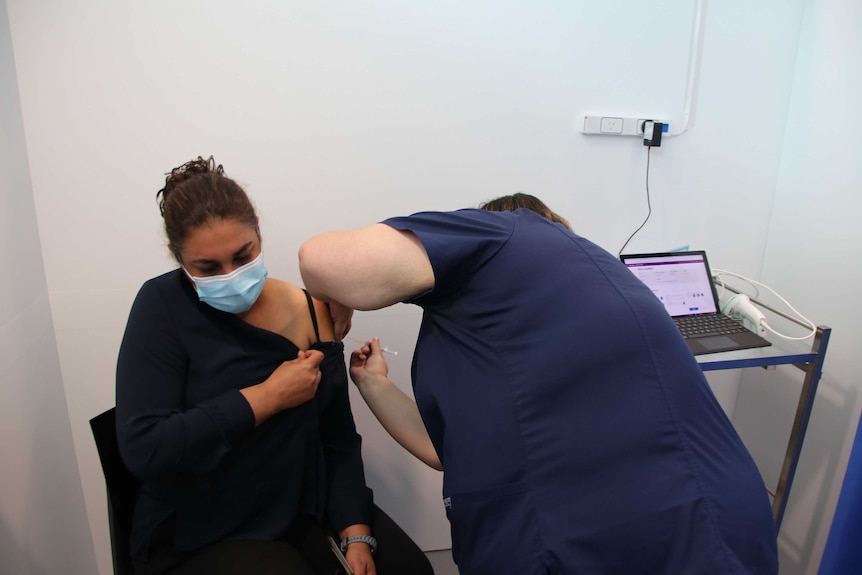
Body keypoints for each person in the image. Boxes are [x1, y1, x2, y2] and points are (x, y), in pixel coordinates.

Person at [298, 193, 780, 575]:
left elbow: (327, 262)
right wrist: (374, 384)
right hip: (704, 518)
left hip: (631, 534)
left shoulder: (514, 233)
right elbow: (457, 453)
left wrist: (324, 289)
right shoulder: (550, 309)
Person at [115, 156, 434, 575]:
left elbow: (335, 438)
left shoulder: (312, 308)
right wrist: (267, 397)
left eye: (243, 255)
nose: (230, 275)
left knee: (411, 570)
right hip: (201, 526)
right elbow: (145, 446)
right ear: (178, 258)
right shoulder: (162, 308)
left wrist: (355, 530)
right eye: (207, 268)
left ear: (259, 231)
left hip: (297, 505)